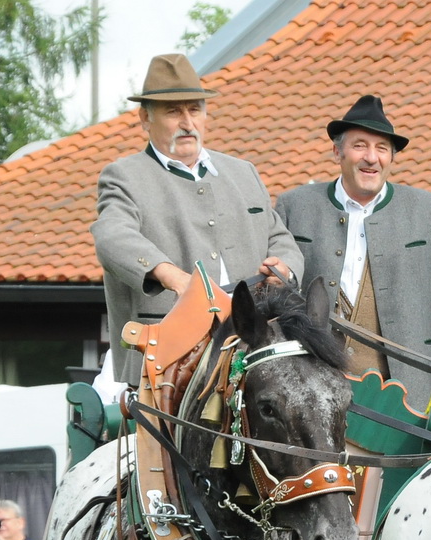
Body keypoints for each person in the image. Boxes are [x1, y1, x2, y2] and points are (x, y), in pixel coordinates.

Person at [91, 53, 301, 383]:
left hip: (256, 347)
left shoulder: (243, 172)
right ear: (145, 118)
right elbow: (111, 236)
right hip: (169, 356)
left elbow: (279, 237)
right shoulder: (123, 176)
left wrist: (286, 267)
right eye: (173, 111)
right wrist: (173, 277)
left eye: (194, 109)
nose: (187, 122)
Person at [276, 94, 431, 408]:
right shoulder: (294, 205)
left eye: (382, 149)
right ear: (338, 152)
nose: (371, 158)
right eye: (359, 145)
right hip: (310, 388)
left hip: (405, 394)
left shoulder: (427, 210)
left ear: (391, 158)